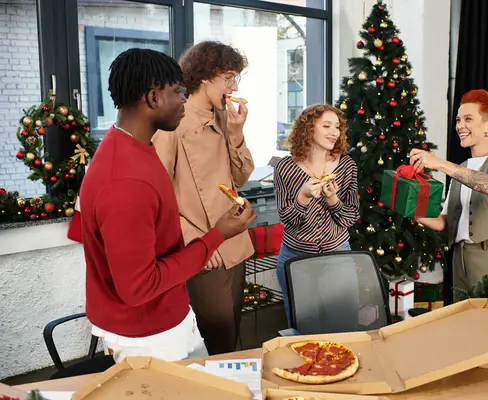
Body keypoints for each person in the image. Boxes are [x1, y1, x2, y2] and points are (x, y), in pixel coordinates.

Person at [79, 48, 256, 362]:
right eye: (178, 92)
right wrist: (215, 236)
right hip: (148, 335)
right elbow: (139, 287)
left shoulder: (134, 145)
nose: (184, 102)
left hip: (167, 315)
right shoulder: (124, 180)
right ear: (153, 98)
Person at [152, 41, 254, 355]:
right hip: (202, 250)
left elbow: (241, 176)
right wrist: (194, 240)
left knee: (231, 333)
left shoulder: (224, 117)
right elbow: (156, 192)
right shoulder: (173, 122)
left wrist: (237, 133)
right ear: (205, 77)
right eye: (229, 77)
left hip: (233, 242)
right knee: (218, 338)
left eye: (237, 78)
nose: (234, 86)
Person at [410, 89, 488, 298]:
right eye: (458, 120)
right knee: (463, 323)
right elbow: (445, 222)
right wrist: (412, 211)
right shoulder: (460, 168)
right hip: (460, 257)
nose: (460, 126)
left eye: (468, 119)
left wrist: (440, 164)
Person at [274, 104, 360, 329]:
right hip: (296, 260)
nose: (335, 132)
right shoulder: (285, 168)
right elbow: (288, 221)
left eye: (338, 127)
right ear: (308, 129)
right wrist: (302, 197)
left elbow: (350, 218)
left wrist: (333, 200)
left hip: (337, 258)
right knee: (304, 330)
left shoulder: (346, 166)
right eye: (327, 126)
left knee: (345, 326)